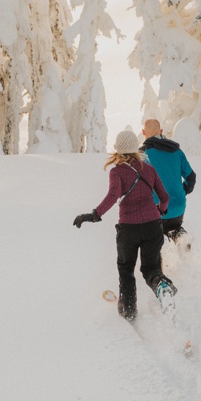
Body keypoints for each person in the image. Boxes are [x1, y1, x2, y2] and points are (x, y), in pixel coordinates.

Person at [73, 128, 177, 321]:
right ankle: (162, 287)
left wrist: (94, 215)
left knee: (126, 269)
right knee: (151, 269)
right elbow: (165, 197)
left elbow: (113, 196)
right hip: (153, 226)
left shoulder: (116, 172)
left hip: (129, 229)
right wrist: (160, 211)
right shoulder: (150, 170)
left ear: (118, 151)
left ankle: (129, 310)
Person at [140, 119, 196, 249]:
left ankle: (162, 261)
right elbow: (191, 178)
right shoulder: (177, 151)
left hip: (155, 209)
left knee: (152, 238)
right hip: (178, 207)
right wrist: (182, 191)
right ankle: (181, 238)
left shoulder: (143, 155)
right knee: (174, 228)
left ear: (143, 132)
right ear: (161, 132)